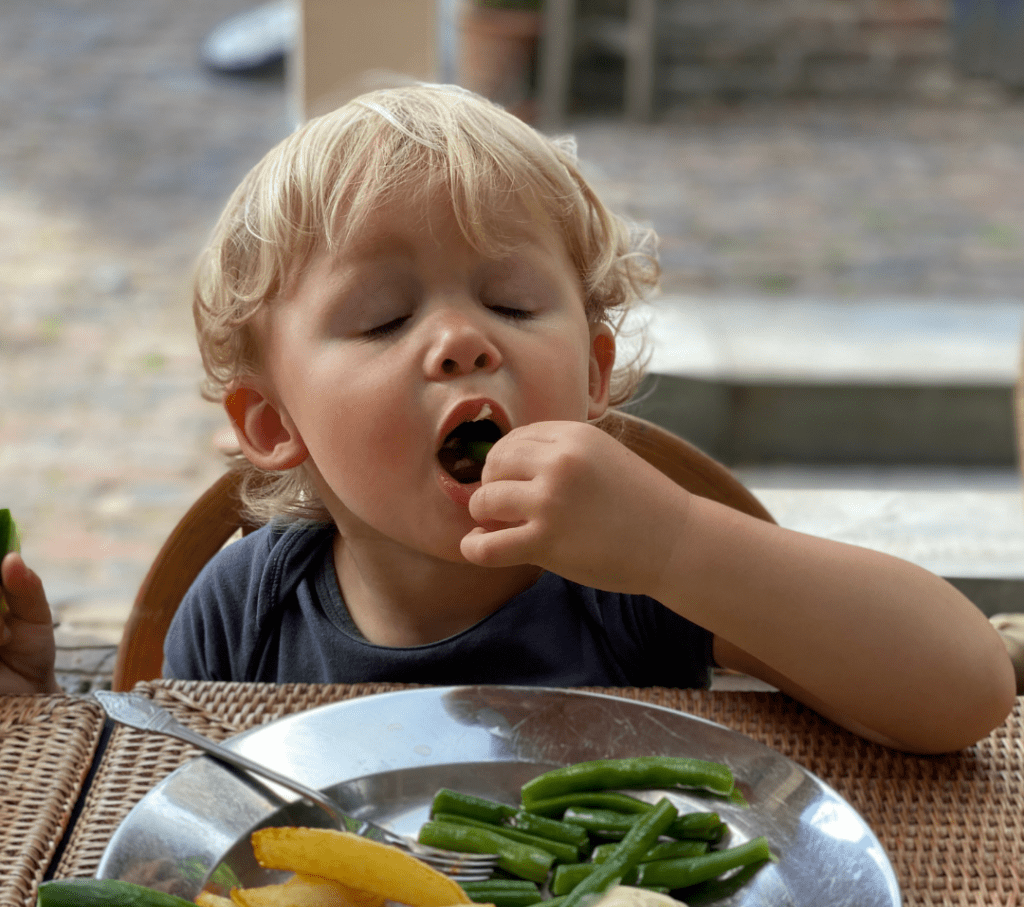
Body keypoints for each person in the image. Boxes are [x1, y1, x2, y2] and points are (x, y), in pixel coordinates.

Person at [0, 85, 1015, 753]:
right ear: (273, 423)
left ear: (590, 375)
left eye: (515, 305)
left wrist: (675, 542)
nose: (459, 341)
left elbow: (963, 692)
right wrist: (36, 720)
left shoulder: (630, 582)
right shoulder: (246, 605)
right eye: (384, 317)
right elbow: (169, 822)